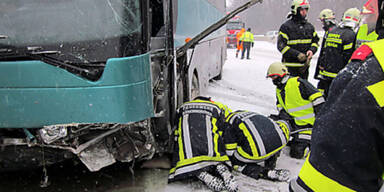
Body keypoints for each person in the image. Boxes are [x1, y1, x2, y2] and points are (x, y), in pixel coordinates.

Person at [289, 1, 384, 191]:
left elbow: (319, 47)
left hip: (344, 77)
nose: (305, 12)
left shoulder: (328, 31)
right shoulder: (349, 36)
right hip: (329, 74)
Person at [168, 96, 238, 192]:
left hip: (189, 151)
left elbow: (176, 131)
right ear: (209, 100)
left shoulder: (182, 107)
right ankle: (220, 167)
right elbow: (223, 130)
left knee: (188, 164)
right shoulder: (216, 107)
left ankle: (200, 174)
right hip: (210, 149)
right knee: (216, 153)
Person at [266, 62, 325, 159]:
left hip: (308, 126)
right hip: (293, 122)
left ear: (281, 74)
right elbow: (280, 104)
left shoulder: (298, 83)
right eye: (271, 77)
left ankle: (309, 144)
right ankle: (296, 139)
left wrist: (320, 121)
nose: (273, 80)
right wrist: (283, 115)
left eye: (274, 77)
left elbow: (318, 99)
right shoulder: (279, 89)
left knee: (297, 153)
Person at [223, 110, 291, 182]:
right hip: (280, 139)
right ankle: (272, 157)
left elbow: (229, 152)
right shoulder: (244, 113)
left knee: (235, 162)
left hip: (258, 151)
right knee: (264, 135)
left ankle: (266, 173)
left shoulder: (228, 123)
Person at [317, 8, 360, 98]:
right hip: (338, 76)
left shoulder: (333, 32)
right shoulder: (350, 35)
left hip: (326, 74)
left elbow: (324, 52)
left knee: (326, 99)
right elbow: (347, 57)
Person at [277, 0, 319, 80]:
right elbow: (281, 46)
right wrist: (297, 54)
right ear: (295, 10)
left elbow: (315, 42)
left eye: (306, 9)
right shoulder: (286, 27)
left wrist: (312, 50)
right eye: (302, 9)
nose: (304, 12)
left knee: (303, 91)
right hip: (289, 68)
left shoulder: (310, 27)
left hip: (304, 69)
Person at [314, 9, 337, 94]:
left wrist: (323, 64)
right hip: (327, 70)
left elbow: (327, 51)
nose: (322, 24)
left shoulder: (331, 33)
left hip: (328, 71)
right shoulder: (330, 31)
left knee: (324, 90)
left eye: (323, 22)